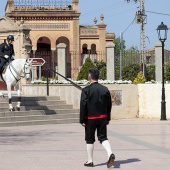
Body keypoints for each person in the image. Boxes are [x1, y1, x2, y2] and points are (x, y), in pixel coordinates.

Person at [80, 68, 115, 168]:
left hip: (90, 118)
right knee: (103, 137)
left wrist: (82, 120)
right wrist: (108, 118)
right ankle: (110, 154)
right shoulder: (105, 89)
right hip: (103, 117)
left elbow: (83, 105)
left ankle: (90, 161)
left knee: (89, 139)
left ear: (89, 77)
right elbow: (109, 105)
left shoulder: (86, 90)